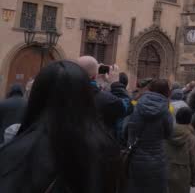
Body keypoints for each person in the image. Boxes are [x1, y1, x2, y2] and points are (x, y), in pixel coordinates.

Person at [0, 61, 120, 193]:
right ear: (87, 97)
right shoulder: (106, 147)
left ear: (37, 95)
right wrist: (115, 84)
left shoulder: (15, 151)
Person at [126, 79, 174, 193]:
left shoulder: (137, 106)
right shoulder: (166, 111)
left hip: (138, 154)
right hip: (158, 156)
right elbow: (169, 134)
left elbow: (131, 130)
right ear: (167, 92)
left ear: (150, 89)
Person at [76, 56, 127, 135]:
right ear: (95, 75)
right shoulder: (106, 99)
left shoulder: (61, 92)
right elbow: (127, 106)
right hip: (97, 143)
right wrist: (115, 84)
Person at [166, 107, 195, 193]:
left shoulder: (167, 133)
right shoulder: (191, 137)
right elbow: (194, 161)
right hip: (183, 175)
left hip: (167, 171)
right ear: (190, 119)